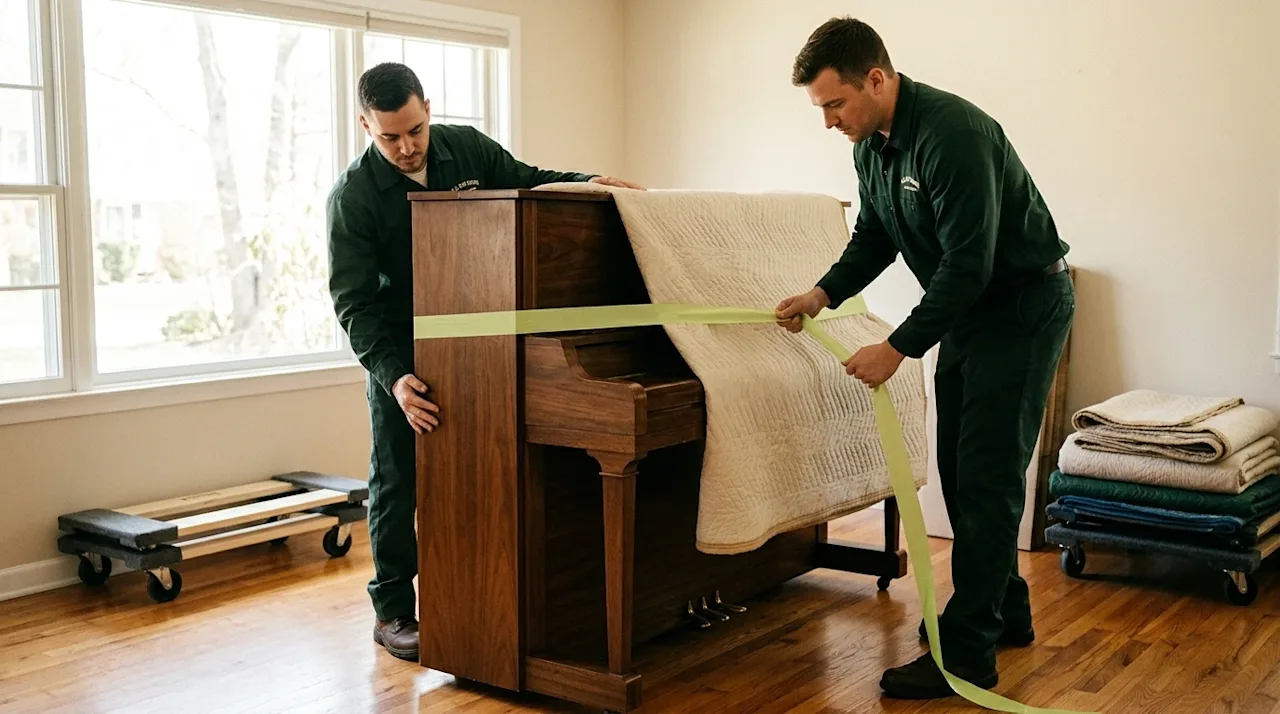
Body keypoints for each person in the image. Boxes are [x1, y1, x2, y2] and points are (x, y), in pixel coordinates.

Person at [776, 17, 1075, 700]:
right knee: (960, 473)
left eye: (835, 103)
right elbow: (874, 236)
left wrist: (896, 348)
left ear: (876, 79)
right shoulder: (871, 147)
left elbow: (968, 264)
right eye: (820, 107)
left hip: (1021, 308)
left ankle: (966, 657)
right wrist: (822, 293)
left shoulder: (954, 136)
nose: (828, 121)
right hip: (971, 310)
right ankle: (1004, 614)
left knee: (987, 479)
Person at [326, 61, 642, 662]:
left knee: (486, 468)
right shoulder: (352, 198)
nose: (406, 147)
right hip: (401, 354)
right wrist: (393, 379)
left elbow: (531, 182)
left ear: (428, 109)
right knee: (397, 479)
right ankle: (392, 611)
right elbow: (354, 304)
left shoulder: (467, 147)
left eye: (415, 130)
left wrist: (591, 181)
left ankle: (484, 598)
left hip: (482, 345)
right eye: (390, 137)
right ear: (365, 126)